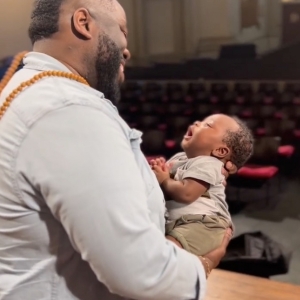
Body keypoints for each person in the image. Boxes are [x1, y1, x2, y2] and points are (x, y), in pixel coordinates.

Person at [0, 1, 234, 300]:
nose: (127, 50)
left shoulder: (27, 88)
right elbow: (141, 272)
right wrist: (202, 266)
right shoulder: (71, 110)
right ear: (83, 22)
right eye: (122, 31)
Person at [151, 114, 253, 256]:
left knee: (165, 252)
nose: (197, 122)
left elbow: (187, 194)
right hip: (179, 222)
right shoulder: (180, 158)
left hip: (205, 224)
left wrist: (164, 180)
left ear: (220, 151)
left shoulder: (209, 163)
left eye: (208, 125)